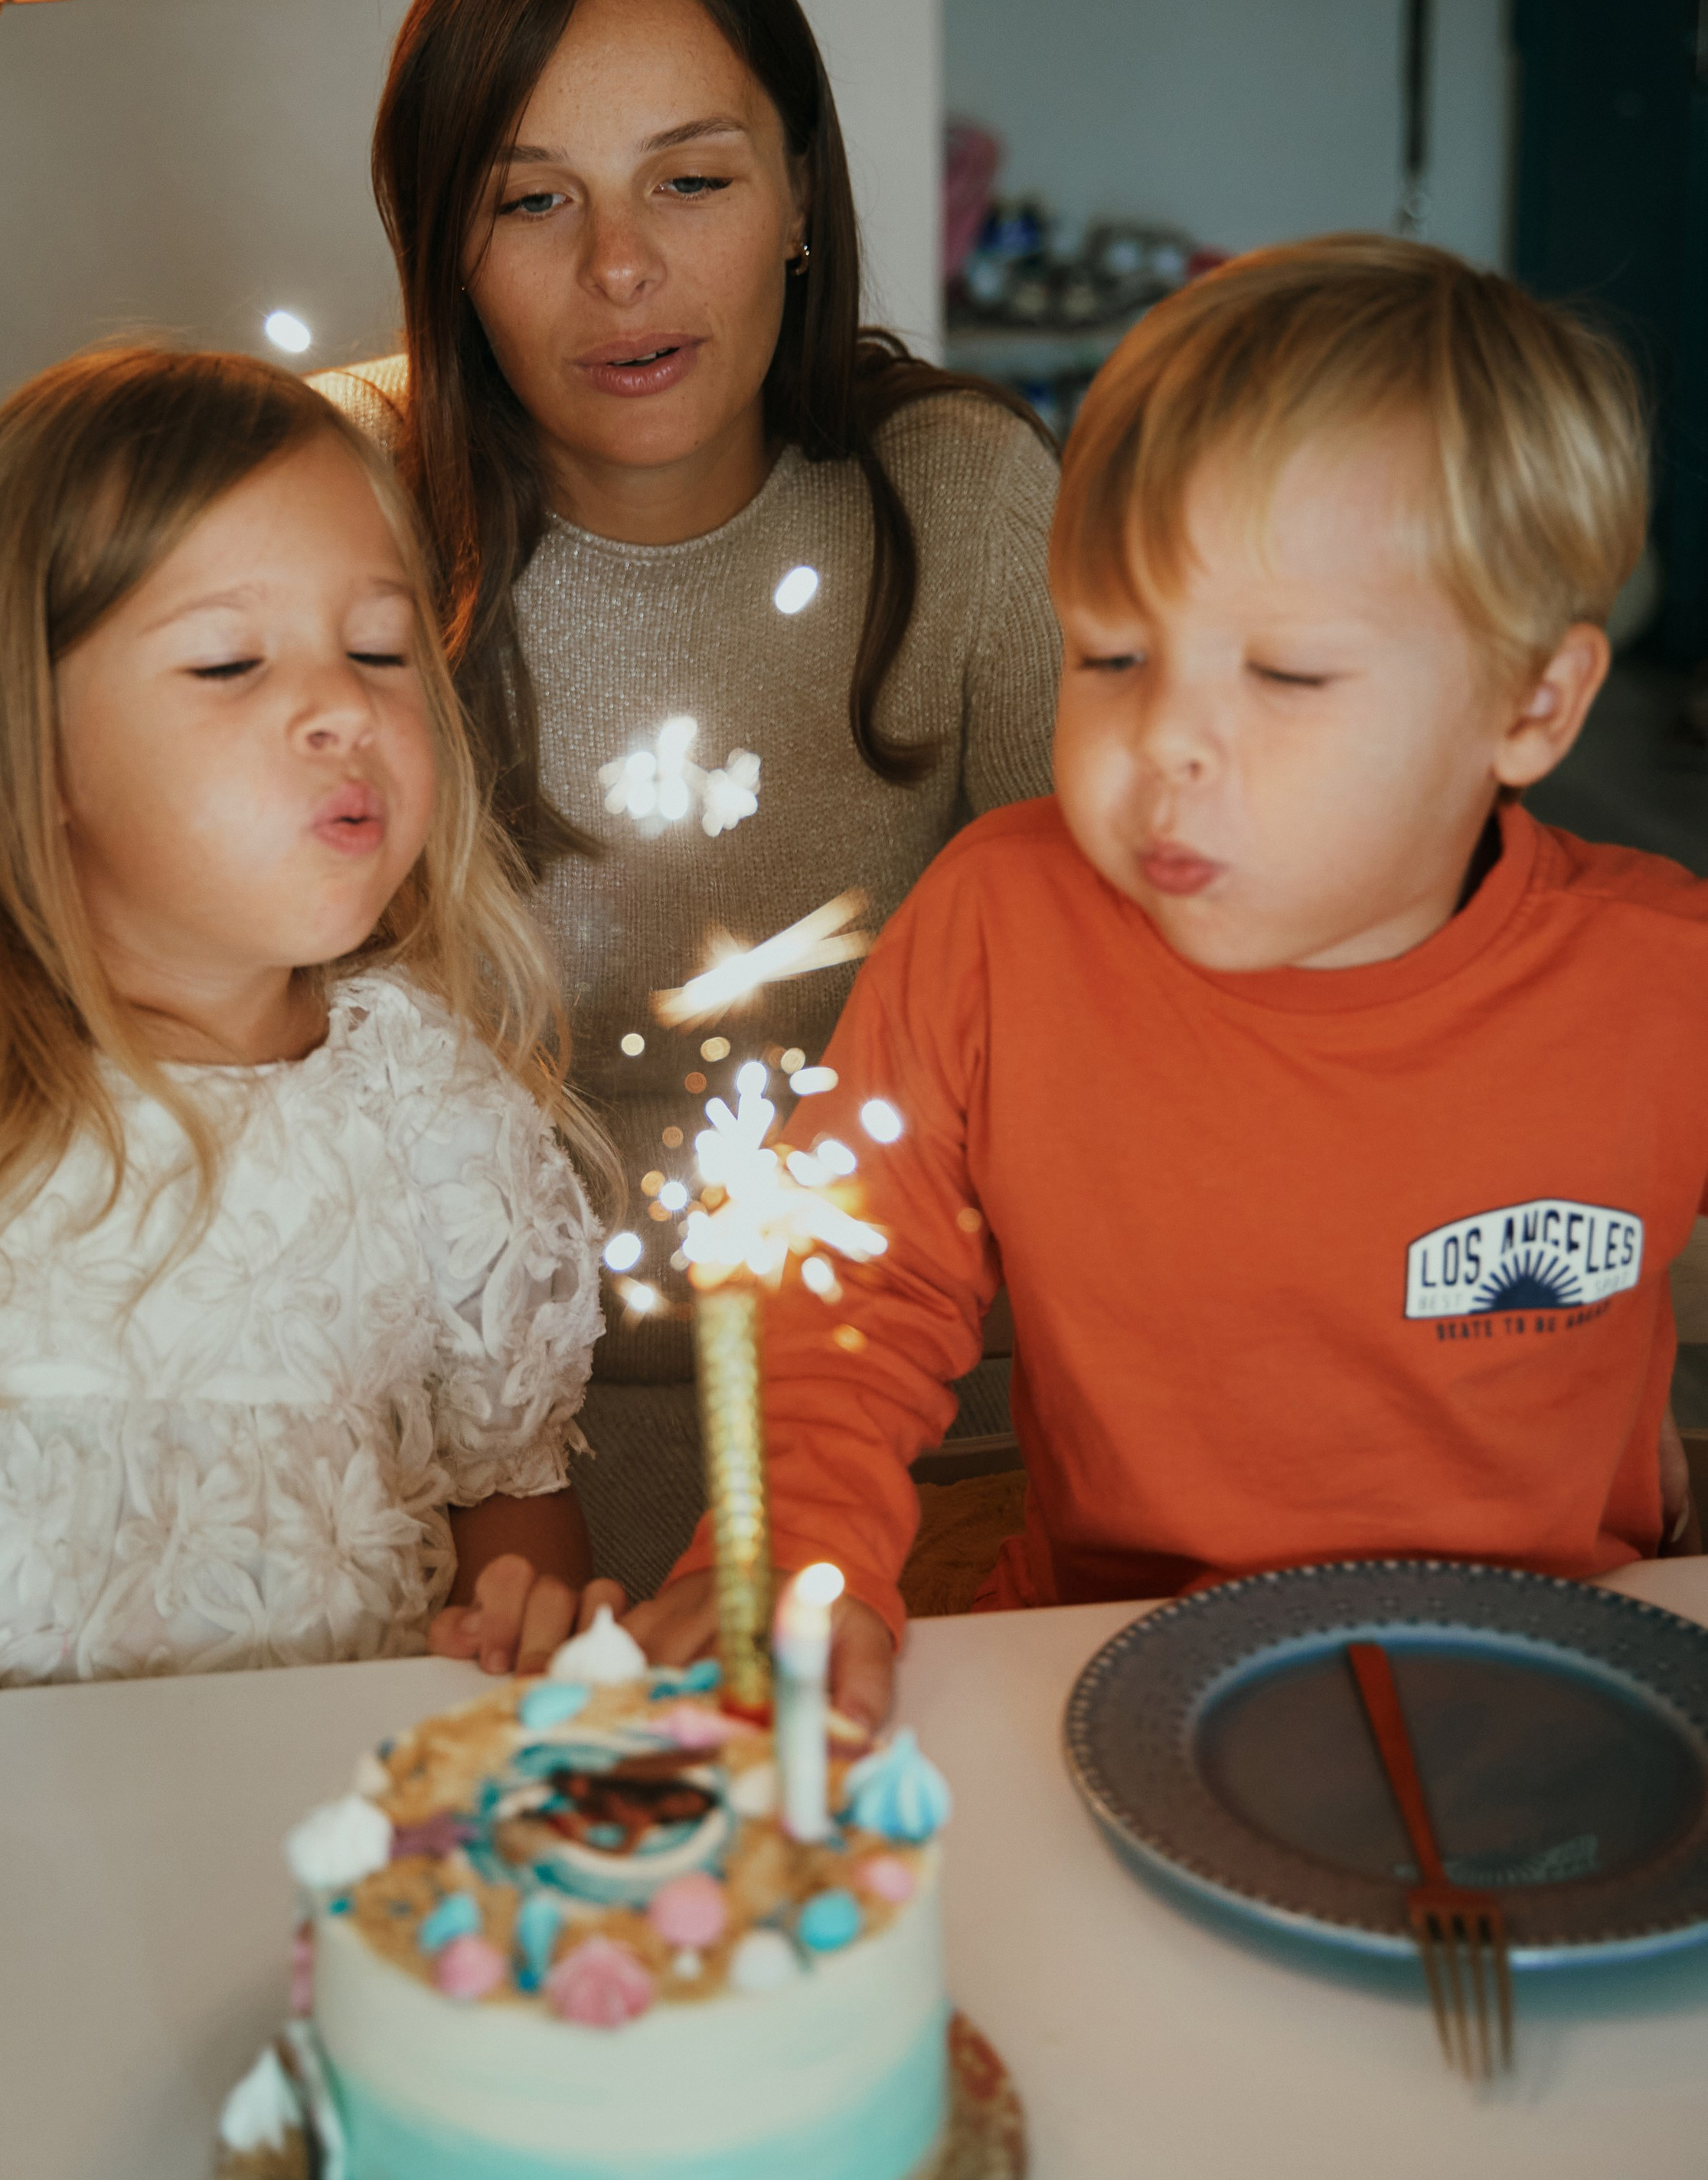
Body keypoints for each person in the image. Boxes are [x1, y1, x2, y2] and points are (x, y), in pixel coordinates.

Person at [632, 236, 1708, 1723]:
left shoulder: (1662, 987)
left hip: (1549, 1699)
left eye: (1284, 678)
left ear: (1529, 704)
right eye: (1111, 656)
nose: (1164, 746)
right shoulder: (1001, 930)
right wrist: (800, 1550)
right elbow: (848, 1296)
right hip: (1108, 1673)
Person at [325, 0, 1061, 1599]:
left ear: (798, 194)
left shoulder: (956, 503)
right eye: (530, 203)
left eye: (692, 179)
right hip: (426, 1451)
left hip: (910, 1428)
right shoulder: (322, 489)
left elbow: (1144, 995)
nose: (623, 269)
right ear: (440, 241)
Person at [0, 347, 619, 1704]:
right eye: (227, 662)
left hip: (312, 1838)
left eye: (380, 649)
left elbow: (510, 1497)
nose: (344, 706)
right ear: (26, 748)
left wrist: (524, 1616)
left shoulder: (435, 1121)